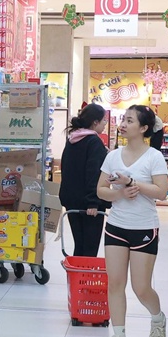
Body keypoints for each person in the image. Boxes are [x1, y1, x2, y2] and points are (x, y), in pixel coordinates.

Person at [95, 105, 168, 337]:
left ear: (144, 128)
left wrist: (132, 182)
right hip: (116, 226)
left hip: (144, 227)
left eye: (129, 120)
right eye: (123, 120)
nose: (123, 124)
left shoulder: (154, 157)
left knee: (141, 287)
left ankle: (157, 318)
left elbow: (161, 192)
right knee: (115, 283)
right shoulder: (113, 156)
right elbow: (100, 190)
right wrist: (119, 194)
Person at [59, 103, 110, 257]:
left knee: (79, 245)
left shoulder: (72, 139)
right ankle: (86, 272)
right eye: (103, 120)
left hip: (72, 201)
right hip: (90, 205)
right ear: (95, 122)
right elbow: (94, 173)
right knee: (90, 248)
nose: (105, 123)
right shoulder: (93, 142)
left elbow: (66, 169)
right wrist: (93, 202)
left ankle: (77, 272)